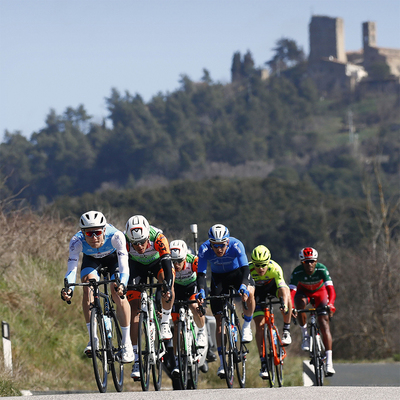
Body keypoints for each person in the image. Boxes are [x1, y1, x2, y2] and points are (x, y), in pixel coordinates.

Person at [61, 210, 134, 363]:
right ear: (82, 233)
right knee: (87, 285)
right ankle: (93, 339)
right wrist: (69, 289)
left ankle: (127, 344)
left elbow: (124, 267)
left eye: (97, 233)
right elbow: (72, 268)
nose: (94, 237)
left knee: (117, 290)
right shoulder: (76, 241)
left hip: (113, 260)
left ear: (104, 230)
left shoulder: (116, 236)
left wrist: (123, 284)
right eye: (89, 234)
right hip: (92, 261)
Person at [196, 224, 256, 379]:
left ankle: (247, 326)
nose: (218, 249)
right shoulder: (204, 249)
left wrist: (243, 286)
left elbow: (246, 270)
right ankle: (223, 363)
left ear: (227, 242)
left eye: (222, 245)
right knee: (218, 320)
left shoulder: (236, 245)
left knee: (249, 292)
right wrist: (201, 291)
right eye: (215, 246)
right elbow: (201, 275)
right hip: (219, 279)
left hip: (238, 274)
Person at [124, 215, 175, 380]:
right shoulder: (124, 241)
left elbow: (167, 263)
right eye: (135, 243)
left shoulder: (159, 238)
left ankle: (165, 322)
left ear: (147, 236)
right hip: (136, 266)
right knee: (135, 311)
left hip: (157, 264)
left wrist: (167, 285)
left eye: (142, 242)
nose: (139, 246)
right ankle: (137, 360)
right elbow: (121, 264)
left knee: (168, 285)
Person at [289, 247, 336, 376]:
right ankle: (305, 336)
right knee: (299, 305)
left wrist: (331, 304)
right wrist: (291, 307)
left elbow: (331, 289)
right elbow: (291, 292)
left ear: (316, 261)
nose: (309, 265)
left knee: (324, 322)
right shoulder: (297, 272)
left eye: (312, 261)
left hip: (320, 293)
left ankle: (329, 363)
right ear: (301, 263)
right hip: (304, 293)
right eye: (306, 262)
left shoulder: (321, 269)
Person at [250, 245, 292, 380]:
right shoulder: (248, 270)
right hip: (257, 293)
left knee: (287, 292)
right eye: (257, 265)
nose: (260, 268)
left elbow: (282, 288)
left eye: (263, 265)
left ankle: (286, 330)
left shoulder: (275, 267)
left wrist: (284, 304)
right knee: (260, 326)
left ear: (268, 262)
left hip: (272, 287)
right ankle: (263, 362)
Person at [170, 239, 207, 374]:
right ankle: (177, 359)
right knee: (176, 327)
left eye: (179, 261)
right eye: (174, 262)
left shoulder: (193, 260)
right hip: (176, 290)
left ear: (185, 257)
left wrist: (201, 297)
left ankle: (202, 331)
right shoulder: (168, 262)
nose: (176, 264)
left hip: (192, 288)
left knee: (194, 307)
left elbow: (201, 278)